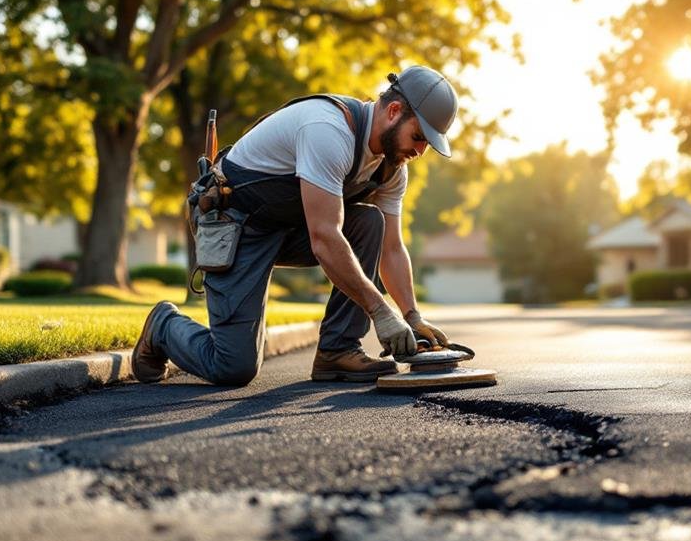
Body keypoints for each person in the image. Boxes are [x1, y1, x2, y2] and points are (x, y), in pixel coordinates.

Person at [132, 66, 458, 386]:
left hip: (289, 227)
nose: (419, 151)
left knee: (371, 222)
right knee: (233, 367)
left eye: (427, 143)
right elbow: (325, 237)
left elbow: (391, 248)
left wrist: (412, 316)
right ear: (394, 111)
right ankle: (163, 326)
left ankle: (338, 350)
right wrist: (381, 311)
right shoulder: (328, 131)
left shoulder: (392, 168)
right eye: (418, 136)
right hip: (237, 227)